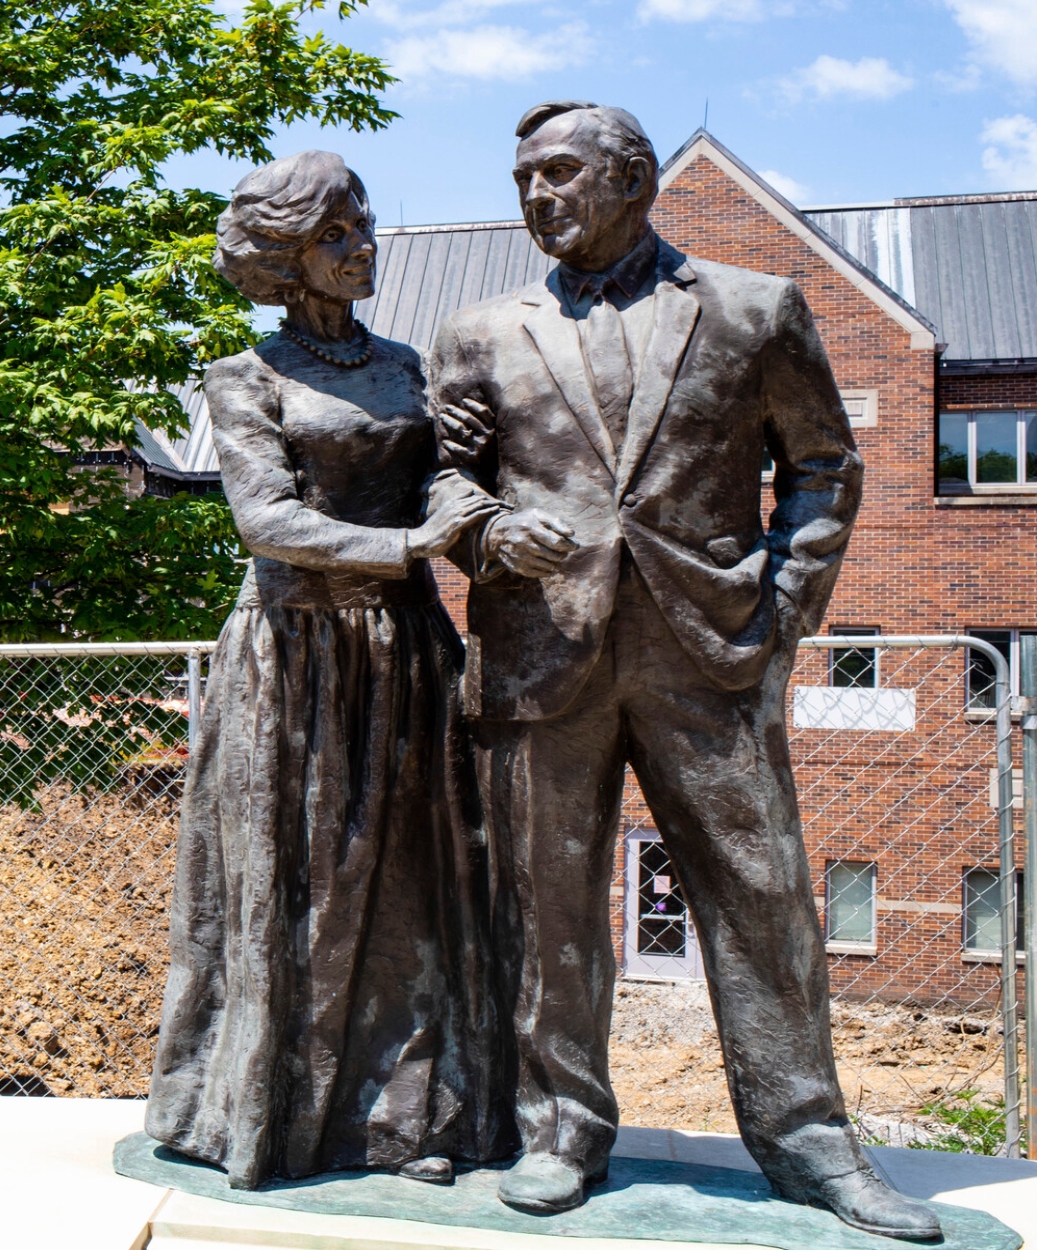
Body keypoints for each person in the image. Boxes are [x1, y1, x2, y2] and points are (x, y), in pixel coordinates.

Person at [430, 101, 939, 1241]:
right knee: (549, 904)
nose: (533, 195)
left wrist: (780, 614)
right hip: (538, 655)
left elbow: (822, 468)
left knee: (760, 900)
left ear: (630, 178)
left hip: (708, 652)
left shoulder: (753, 308)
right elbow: (441, 483)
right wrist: (482, 533)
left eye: (558, 172)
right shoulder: (477, 332)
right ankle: (560, 1126)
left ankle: (808, 1142)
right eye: (522, 177)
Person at [145, 150, 515, 1191]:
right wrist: (406, 547)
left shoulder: (406, 364)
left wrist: (462, 509)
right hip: (296, 656)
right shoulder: (245, 375)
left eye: (363, 228)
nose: (364, 249)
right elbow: (263, 518)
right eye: (335, 237)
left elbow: (446, 473)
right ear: (283, 257)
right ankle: (274, 1114)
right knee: (293, 881)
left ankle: (405, 1119)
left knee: (408, 889)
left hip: (405, 657)